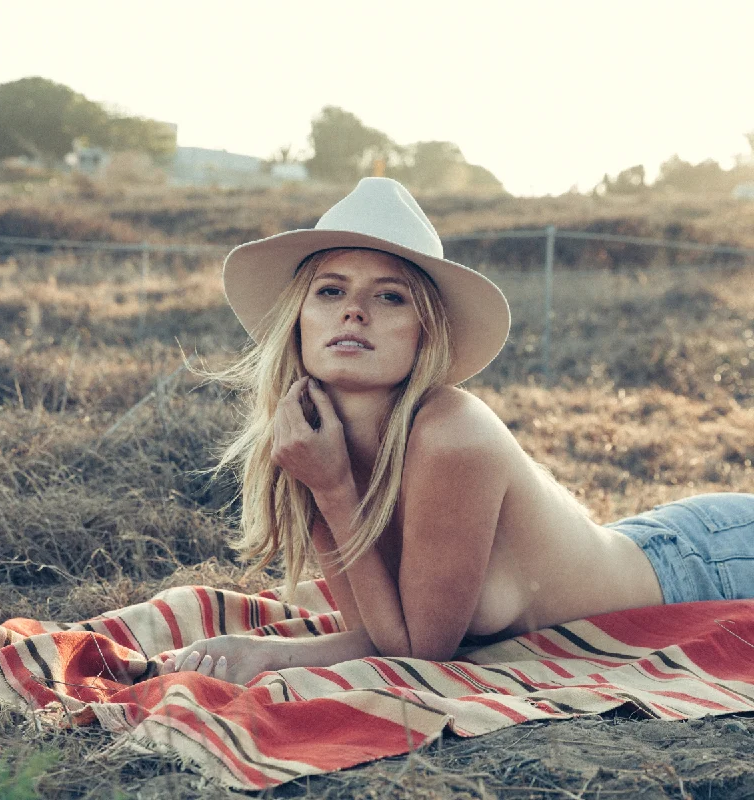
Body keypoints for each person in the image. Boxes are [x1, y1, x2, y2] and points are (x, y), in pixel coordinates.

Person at [160, 178, 754, 684]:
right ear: (299, 317)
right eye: (331, 289)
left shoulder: (453, 433)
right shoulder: (312, 437)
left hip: (710, 565)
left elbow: (420, 655)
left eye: (389, 296)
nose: (354, 310)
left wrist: (266, 651)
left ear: (425, 333)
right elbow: (375, 632)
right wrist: (253, 654)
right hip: (648, 543)